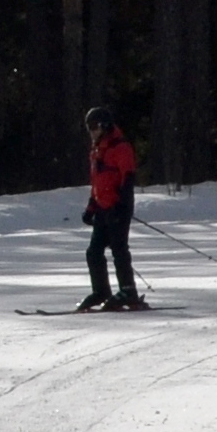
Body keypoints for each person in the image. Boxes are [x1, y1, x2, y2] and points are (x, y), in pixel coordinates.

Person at [81, 109, 144, 312]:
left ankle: (128, 290)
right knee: (93, 252)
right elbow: (98, 182)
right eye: (88, 128)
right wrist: (92, 207)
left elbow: (128, 177)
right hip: (102, 208)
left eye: (94, 127)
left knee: (119, 249)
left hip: (117, 208)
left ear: (104, 125)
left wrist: (122, 205)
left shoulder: (120, 147)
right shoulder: (98, 149)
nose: (91, 132)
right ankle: (101, 291)